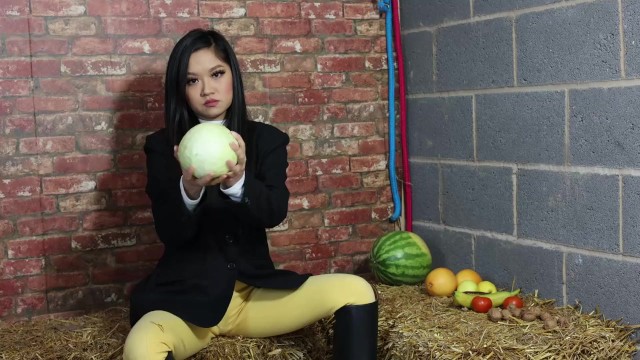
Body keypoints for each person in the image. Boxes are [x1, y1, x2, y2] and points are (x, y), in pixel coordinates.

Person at [123, 28, 378, 360]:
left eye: (216, 74)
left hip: (254, 296)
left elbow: (273, 212)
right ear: (181, 90)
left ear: (233, 75)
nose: (207, 89)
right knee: (141, 346)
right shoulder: (162, 146)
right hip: (186, 303)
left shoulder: (266, 140)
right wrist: (190, 188)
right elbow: (170, 232)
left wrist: (238, 182)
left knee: (356, 290)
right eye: (192, 80)